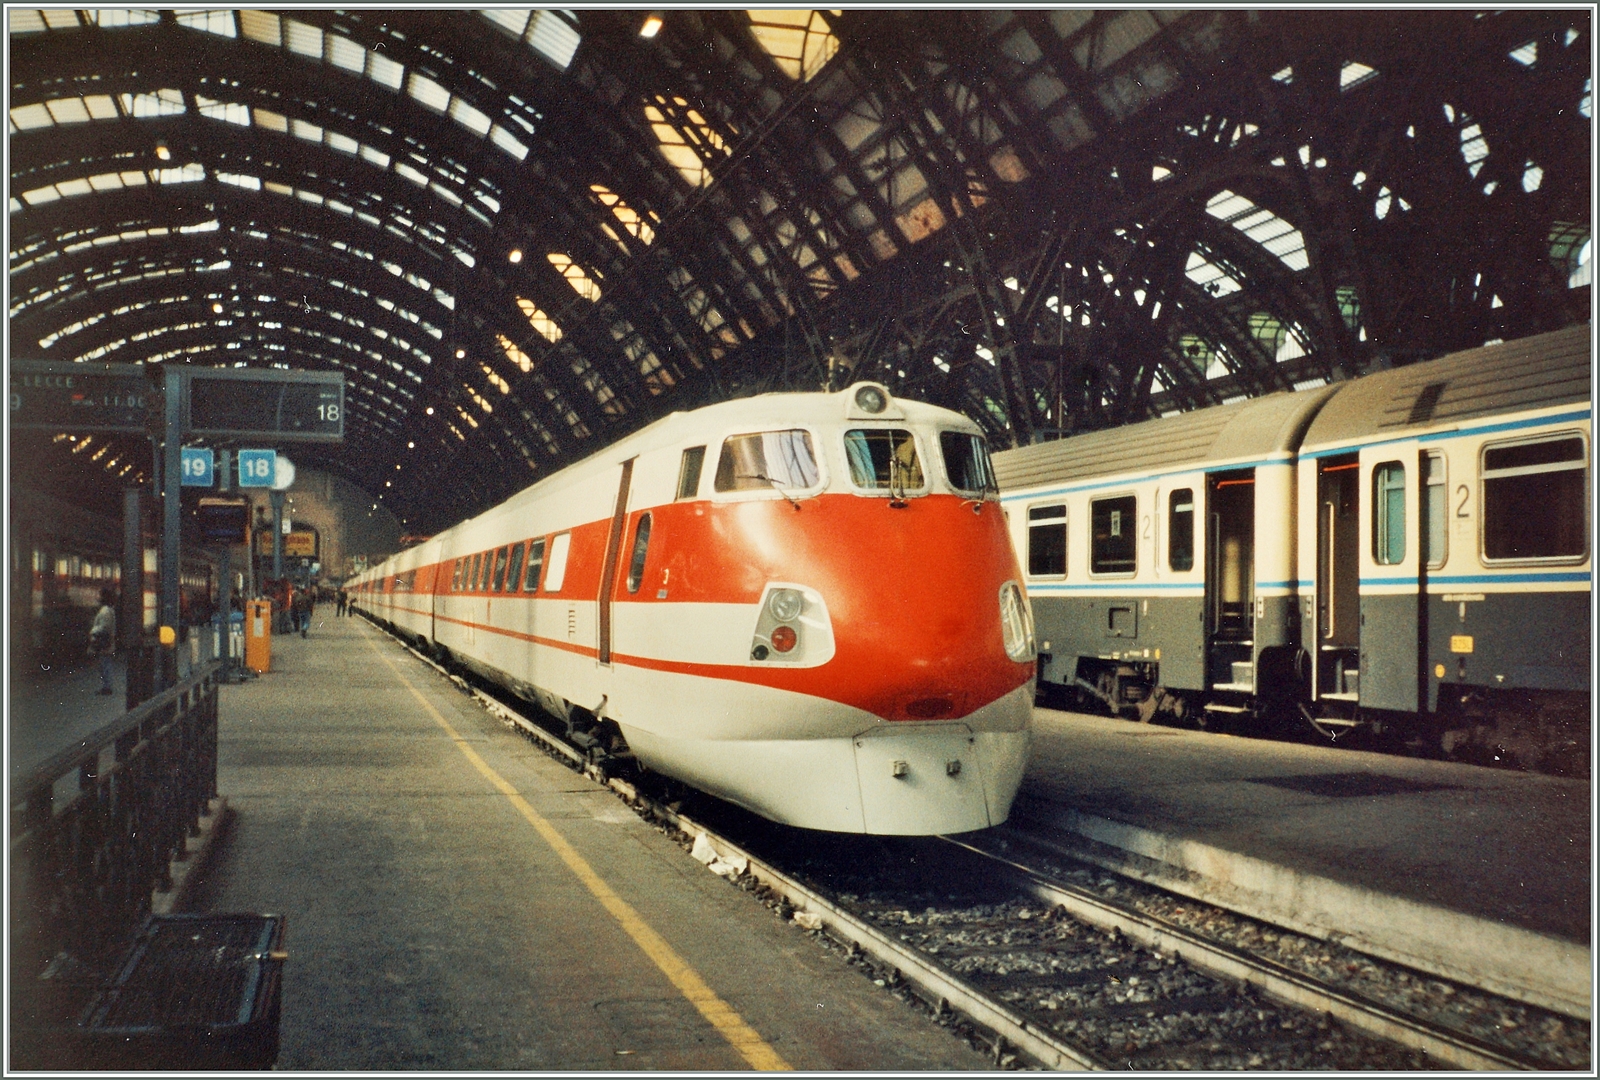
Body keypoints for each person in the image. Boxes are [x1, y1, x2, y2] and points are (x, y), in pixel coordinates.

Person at [89, 588, 117, 695]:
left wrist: (93, 631)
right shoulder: (109, 609)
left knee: (105, 664)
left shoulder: (105, 611)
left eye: (100, 595)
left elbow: (104, 627)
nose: (98, 597)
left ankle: (107, 687)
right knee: (105, 663)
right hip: (108, 640)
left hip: (104, 641)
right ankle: (106, 686)